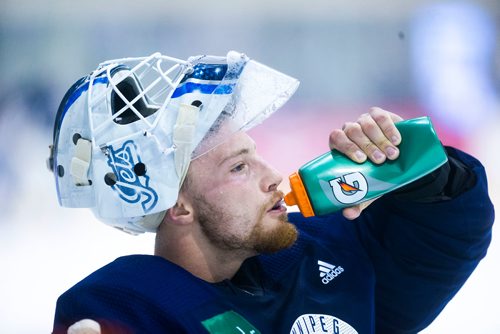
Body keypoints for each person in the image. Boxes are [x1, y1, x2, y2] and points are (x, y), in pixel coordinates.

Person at [49, 51, 494, 334]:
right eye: (239, 167)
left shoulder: (320, 255)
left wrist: (429, 179)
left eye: (255, 155)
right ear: (177, 205)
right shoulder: (127, 305)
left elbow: (442, 243)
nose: (273, 177)